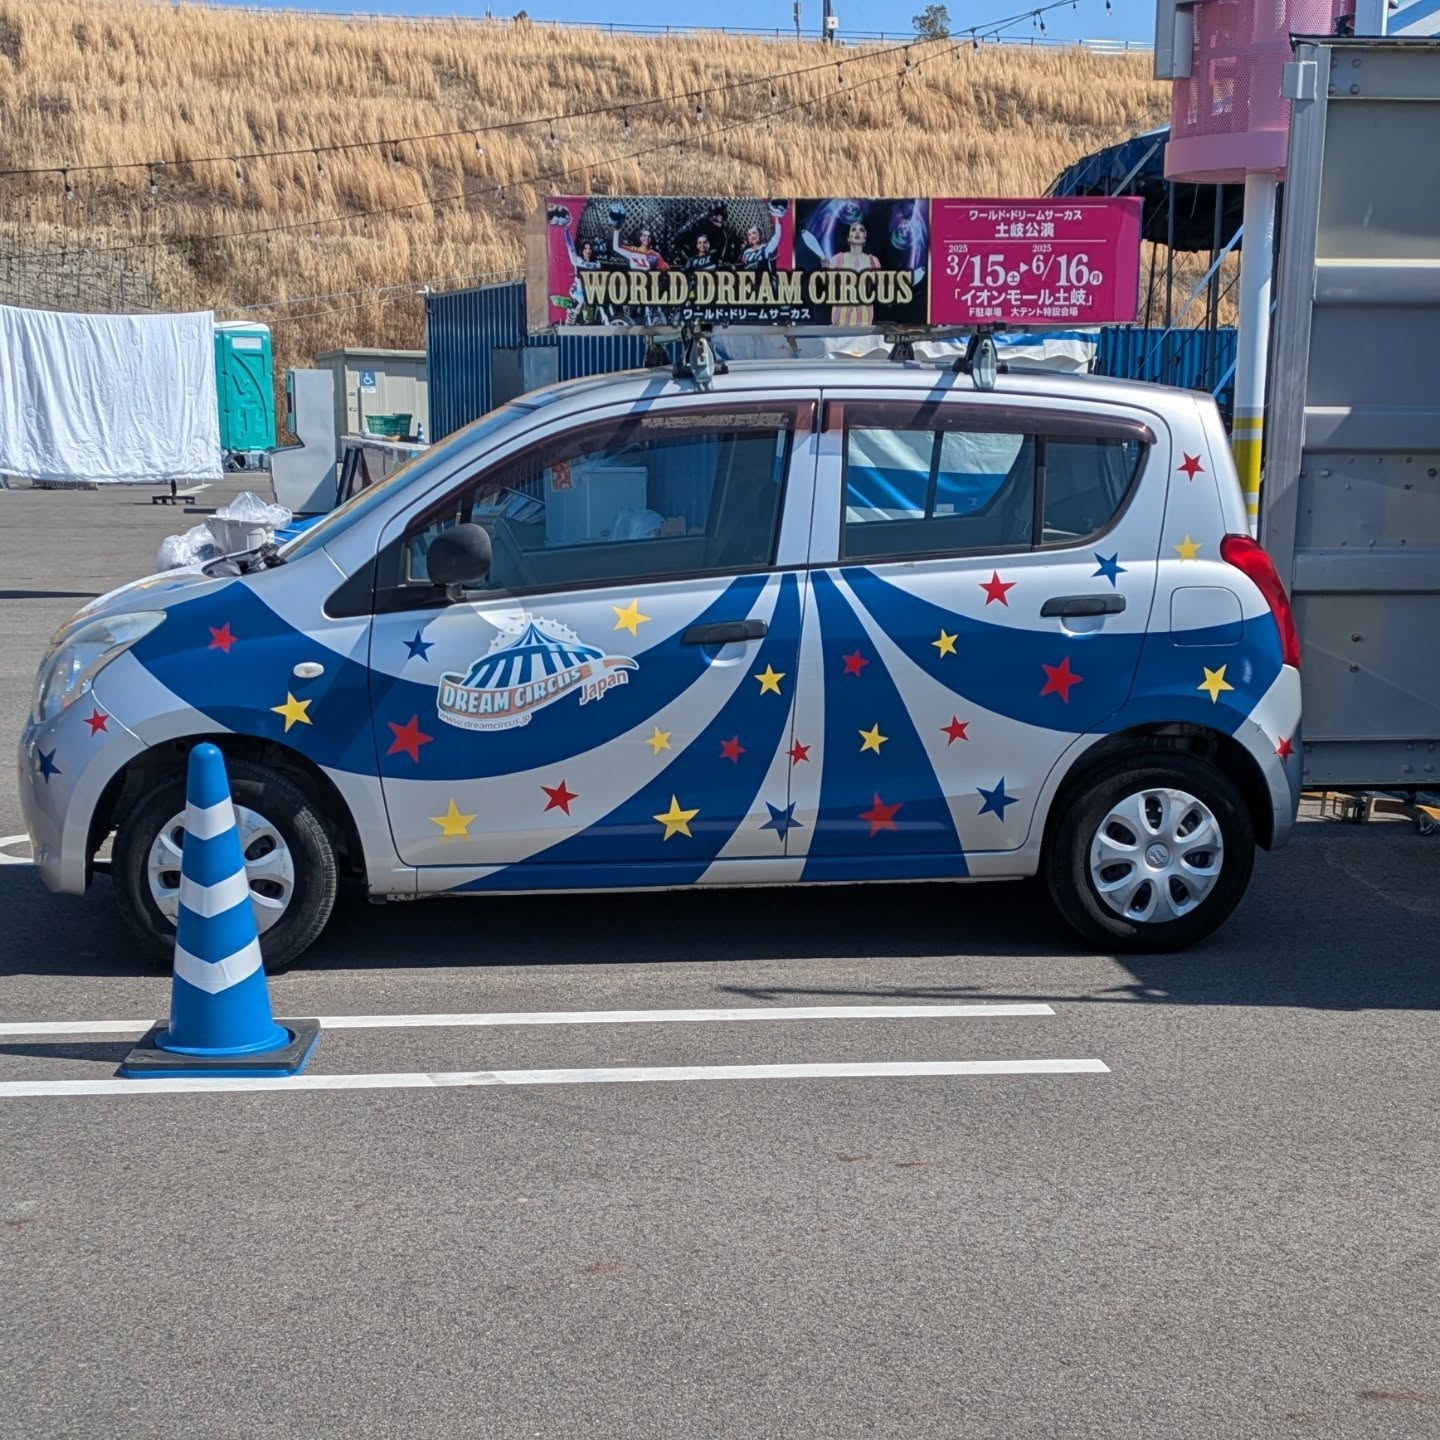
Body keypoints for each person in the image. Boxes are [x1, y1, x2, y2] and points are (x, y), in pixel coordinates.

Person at [823, 220, 881, 328]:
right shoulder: (837, 259)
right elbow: (830, 289)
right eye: (854, 230)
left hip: (865, 317)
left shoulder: (874, 261)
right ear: (848, 238)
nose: (857, 233)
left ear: (865, 238)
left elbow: (878, 289)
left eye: (861, 230)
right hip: (841, 316)